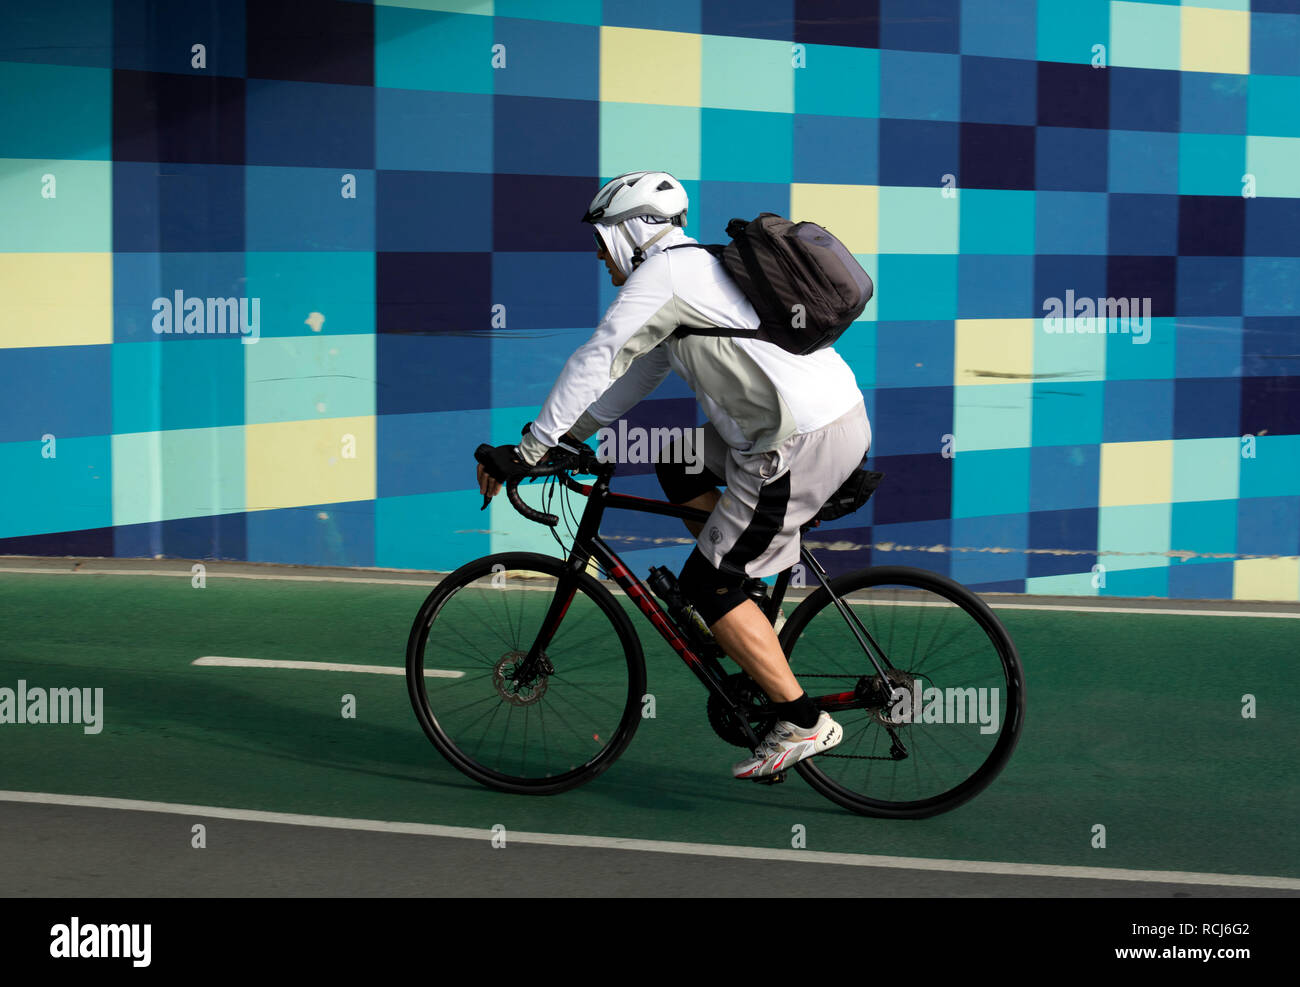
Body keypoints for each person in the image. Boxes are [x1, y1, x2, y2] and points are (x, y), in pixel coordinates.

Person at [476, 171, 871, 779]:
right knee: (678, 459)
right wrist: (567, 440)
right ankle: (750, 610)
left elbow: (599, 357)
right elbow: (634, 373)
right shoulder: (696, 272)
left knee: (710, 585)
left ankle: (800, 719)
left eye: (601, 239)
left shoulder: (663, 275)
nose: (599, 255)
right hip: (817, 423)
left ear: (631, 230)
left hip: (795, 441)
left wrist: (529, 449)